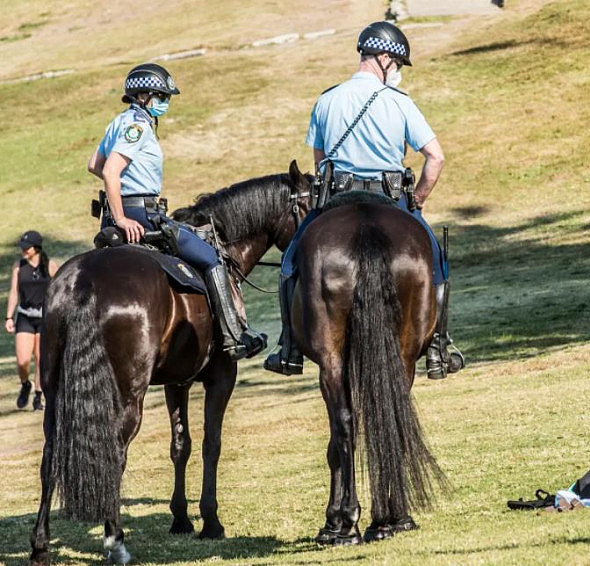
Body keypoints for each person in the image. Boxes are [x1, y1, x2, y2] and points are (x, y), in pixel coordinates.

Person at [263, 21, 464, 379]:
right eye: (398, 65)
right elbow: (436, 157)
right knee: (436, 259)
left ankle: (289, 347)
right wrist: (417, 198)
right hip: (390, 198)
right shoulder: (400, 103)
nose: (398, 72)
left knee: (291, 261)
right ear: (385, 58)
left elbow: (319, 161)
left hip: (336, 198)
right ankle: (438, 347)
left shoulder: (326, 100)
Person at [87, 63, 266, 360]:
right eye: (161, 96)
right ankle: (234, 335)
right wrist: (122, 216)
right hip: (142, 214)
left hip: (125, 211)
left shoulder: (118, 122)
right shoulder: (138, 127)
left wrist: (119, 199)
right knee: (210, 257)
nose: (165, 102)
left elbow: (94, 164)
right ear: (142, 95)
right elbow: (109, 171)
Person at [5, 231, 59, 410]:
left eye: (26, 247)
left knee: (41, 358)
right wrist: (9, 317)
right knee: (22, 361)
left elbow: (60, 291)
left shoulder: (50, 266)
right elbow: (14, 292)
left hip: (44, 318)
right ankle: (25, 384)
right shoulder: (18, 266)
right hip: (25, 316)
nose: (23, 250)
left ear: (36, 248)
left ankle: (38, 396)